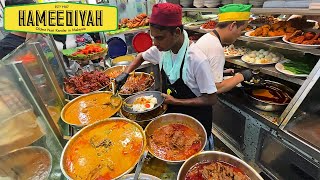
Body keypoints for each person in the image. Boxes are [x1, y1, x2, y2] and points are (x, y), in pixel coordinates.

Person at [115, 3, 217, 150]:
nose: (155, 43)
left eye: (160, 38)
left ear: (176, 32)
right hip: (174, 121)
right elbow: (140, 56)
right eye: (153, 38)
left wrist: (176, 101)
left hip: (196, 124)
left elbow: (211, 99)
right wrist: (125, 73)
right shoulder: (162, 49)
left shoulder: (197, 60)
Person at [196, 4, 253, 94]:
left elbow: (204, 70)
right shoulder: (215, 49)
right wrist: (242, 76)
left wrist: (224, 72)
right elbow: (215, 89)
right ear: (232, 25)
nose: (240, 34)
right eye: (242, 29)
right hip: (197, 101)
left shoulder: (208, 37)